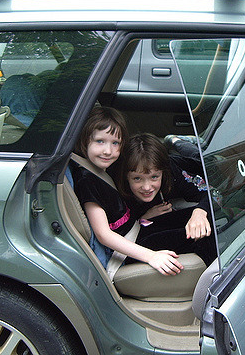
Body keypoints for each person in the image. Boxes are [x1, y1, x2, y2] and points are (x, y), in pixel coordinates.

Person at [69, 107, 184, 276]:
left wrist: (143, 218)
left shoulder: (102, 170)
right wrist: (151, 256)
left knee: (190, 221)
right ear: (85, 141)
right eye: (100, 141)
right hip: (124, 253)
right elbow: (103, 234)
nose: (108, 151)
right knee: (194, 237)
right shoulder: (87, 180)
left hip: (136, 229)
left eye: (115, 143)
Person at [119, 133, 217, 266]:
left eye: (154, 177)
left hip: (192, 163)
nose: (147, 187)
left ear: (163, 173)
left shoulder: (172, 174)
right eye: (137, 178)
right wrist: (143, 218)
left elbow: (212, 193)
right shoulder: (118, 194)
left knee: (206, 160)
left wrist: (200, 212)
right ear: (126, 176)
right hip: (142, 226)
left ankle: (176, 141)